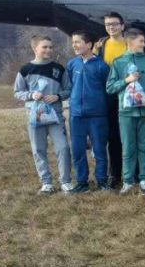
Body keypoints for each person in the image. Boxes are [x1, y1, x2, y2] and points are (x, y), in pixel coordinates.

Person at [13, 34, 73, 194]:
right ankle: (46, 183)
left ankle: (66, 182)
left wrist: (58, 96)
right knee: (38, 149)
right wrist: (31, 95)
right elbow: (17, 92)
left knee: (63, 148)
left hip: (55, 116)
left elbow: (68, 89)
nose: (48, 50)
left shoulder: (59, 69)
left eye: (50, 47)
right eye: (44, 47)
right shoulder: (25, 70)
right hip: (35, 117)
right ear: (35, 48)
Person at [105, 28, 145, 194]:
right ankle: (127, 181)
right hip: (126, 113)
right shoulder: (119, 62)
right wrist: (126, 80)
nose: (144, 44)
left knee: (144, 147)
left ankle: (144, 180)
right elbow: (110, 87)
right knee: (128, 148)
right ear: (130, 42)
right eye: (141, 42)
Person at [65, 31, 110, 193]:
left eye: (78, 42)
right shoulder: (72, 64)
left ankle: (102, 181)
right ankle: (82, 182)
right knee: (77, 150)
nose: (75, 45)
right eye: (73, 43)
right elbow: (70, 86)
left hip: (97, 116)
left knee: (99, 150)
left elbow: (108, 90)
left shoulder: (101, 66)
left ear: (89, 44)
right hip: (76, 115)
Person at [97, 12, 127, 187]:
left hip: (128, 95)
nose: (111, 27)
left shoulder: (129, 43)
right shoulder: (102, 45)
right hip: (109, 96)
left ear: (122, 26)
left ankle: (134, 173)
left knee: (129, 136)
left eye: (115, 24)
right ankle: (115, 173)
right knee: (113, 136)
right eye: (108, 24)